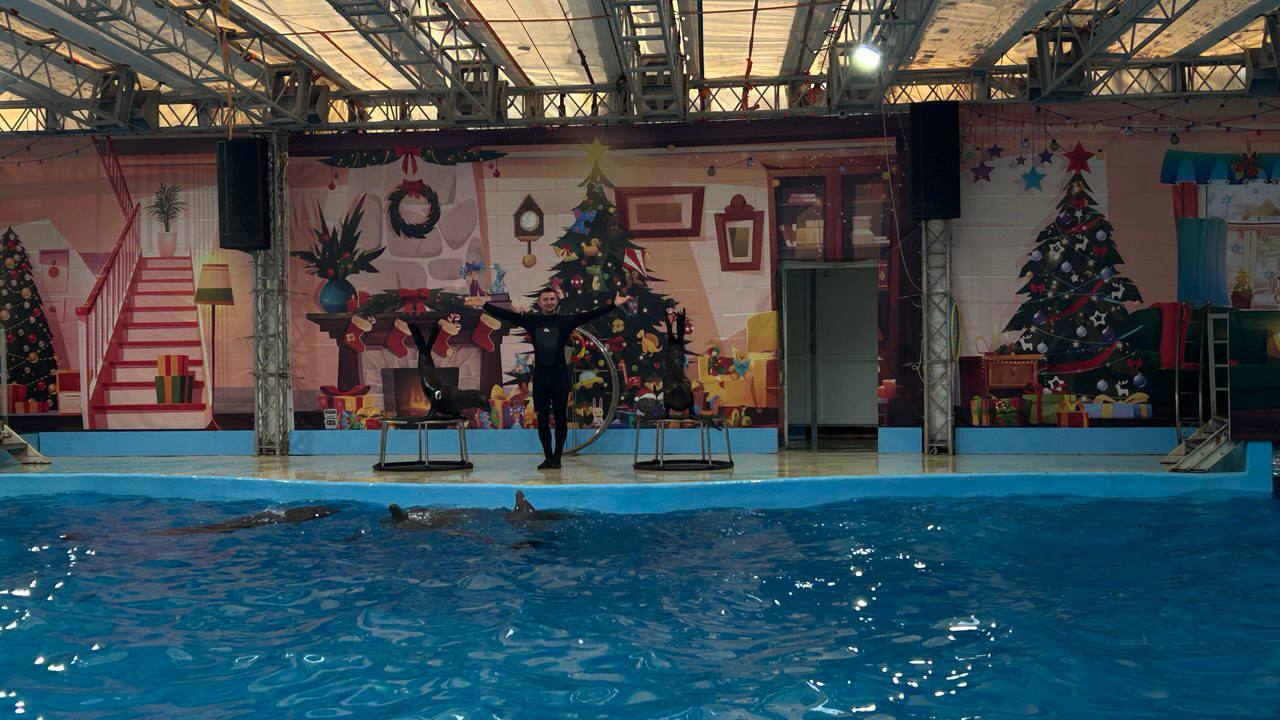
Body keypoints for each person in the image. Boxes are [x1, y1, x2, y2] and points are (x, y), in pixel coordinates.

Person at [466, 287, 629, 469]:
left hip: (559, 378)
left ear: (557, 300)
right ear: (540, 302)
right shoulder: (532, 321)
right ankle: (548, 457)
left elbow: (590, 315)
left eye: (552, 299)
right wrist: (485, 305)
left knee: (560, 418)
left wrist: (614, 305)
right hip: (541, 379)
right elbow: (507, 315)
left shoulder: (566, 321)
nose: (549, 302)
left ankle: (557, 457)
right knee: (542, 419)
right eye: (546, 299)